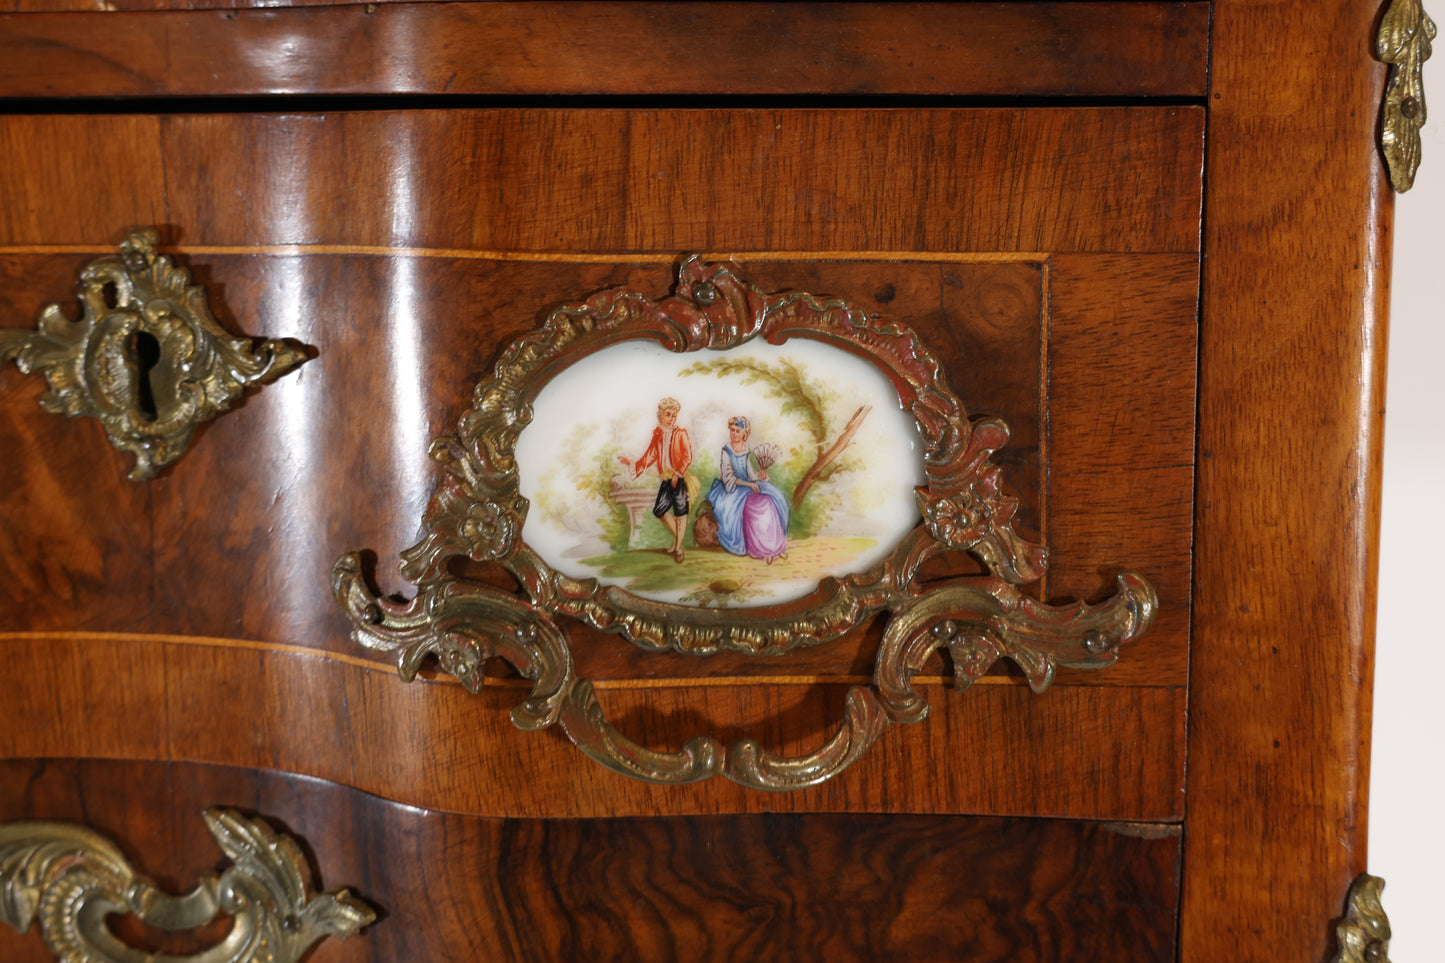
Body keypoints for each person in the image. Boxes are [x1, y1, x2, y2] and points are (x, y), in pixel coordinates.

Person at [618, 397, 693, 563]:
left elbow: (687, 456)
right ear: (661, 416)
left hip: (678, 478)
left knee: (681, 512)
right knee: (659, 511)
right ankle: (678, 541)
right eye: (668, 414)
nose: (672, 418)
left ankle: (678, 547)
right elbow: (649, 457)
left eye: (674, 415)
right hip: (666, 479)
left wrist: (678, 473)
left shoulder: (680, 433)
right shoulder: (658, 435)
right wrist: (631, 463)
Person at [706, 416, 789, 563]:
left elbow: (750, 474)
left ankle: (776, 547)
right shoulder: (726, 451)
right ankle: (764, 550)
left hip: (748, 485)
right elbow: (728, 478)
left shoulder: (746, 449)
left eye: (738, 431)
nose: (734, 434)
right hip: (734, 489)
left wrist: (760, 476)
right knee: (758, 506)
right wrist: (750, 485)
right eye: (732, 430)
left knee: (774, 498)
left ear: (744, 434)